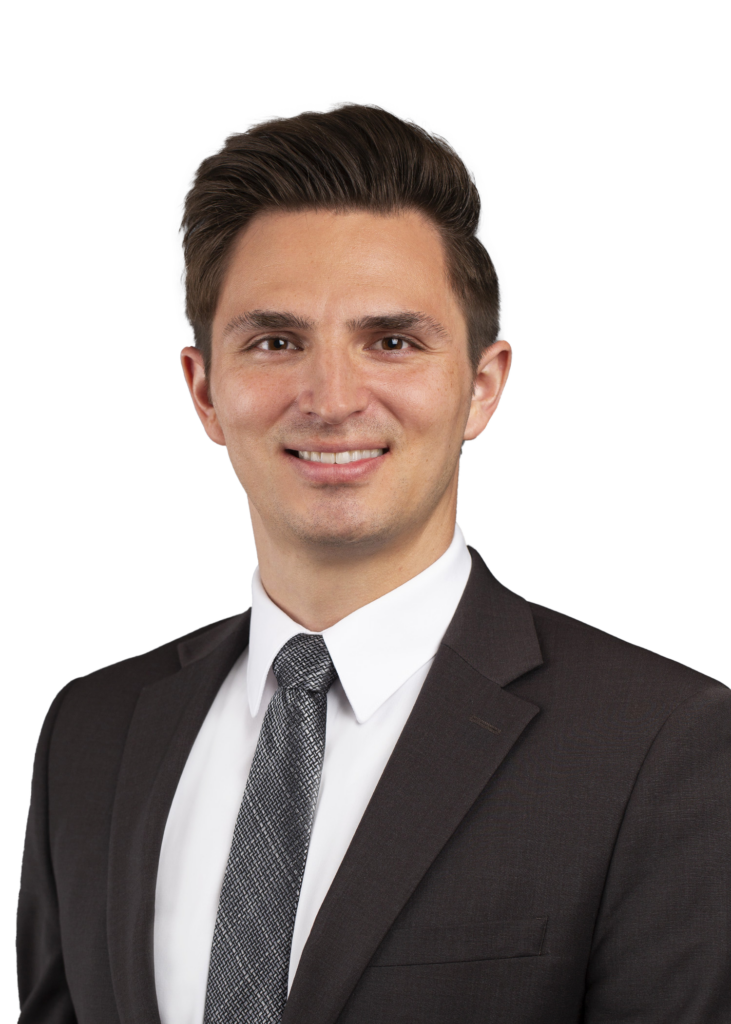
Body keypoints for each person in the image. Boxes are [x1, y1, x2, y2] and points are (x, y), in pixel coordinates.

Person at [17, 101, 729, 1024]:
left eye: (391, 341)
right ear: (202, 391)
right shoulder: (90, 730)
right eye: (276, 342)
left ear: (482, 385)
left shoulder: (660, 742)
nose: (332, 398)